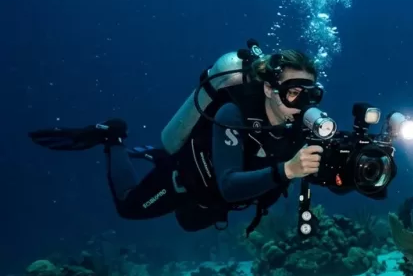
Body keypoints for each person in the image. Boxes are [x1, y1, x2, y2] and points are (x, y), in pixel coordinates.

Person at [30, 47, 327, 233]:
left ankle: (155, 155)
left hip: (214, 201)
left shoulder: (301, 126)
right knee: (129, 208)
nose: (301, 105)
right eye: (293, 92)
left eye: (310, 95)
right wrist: (288, 170)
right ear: (268, 89)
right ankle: (113, 136)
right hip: (186, 180)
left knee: (191, 224)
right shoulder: (232, 113)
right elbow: (228, 185)